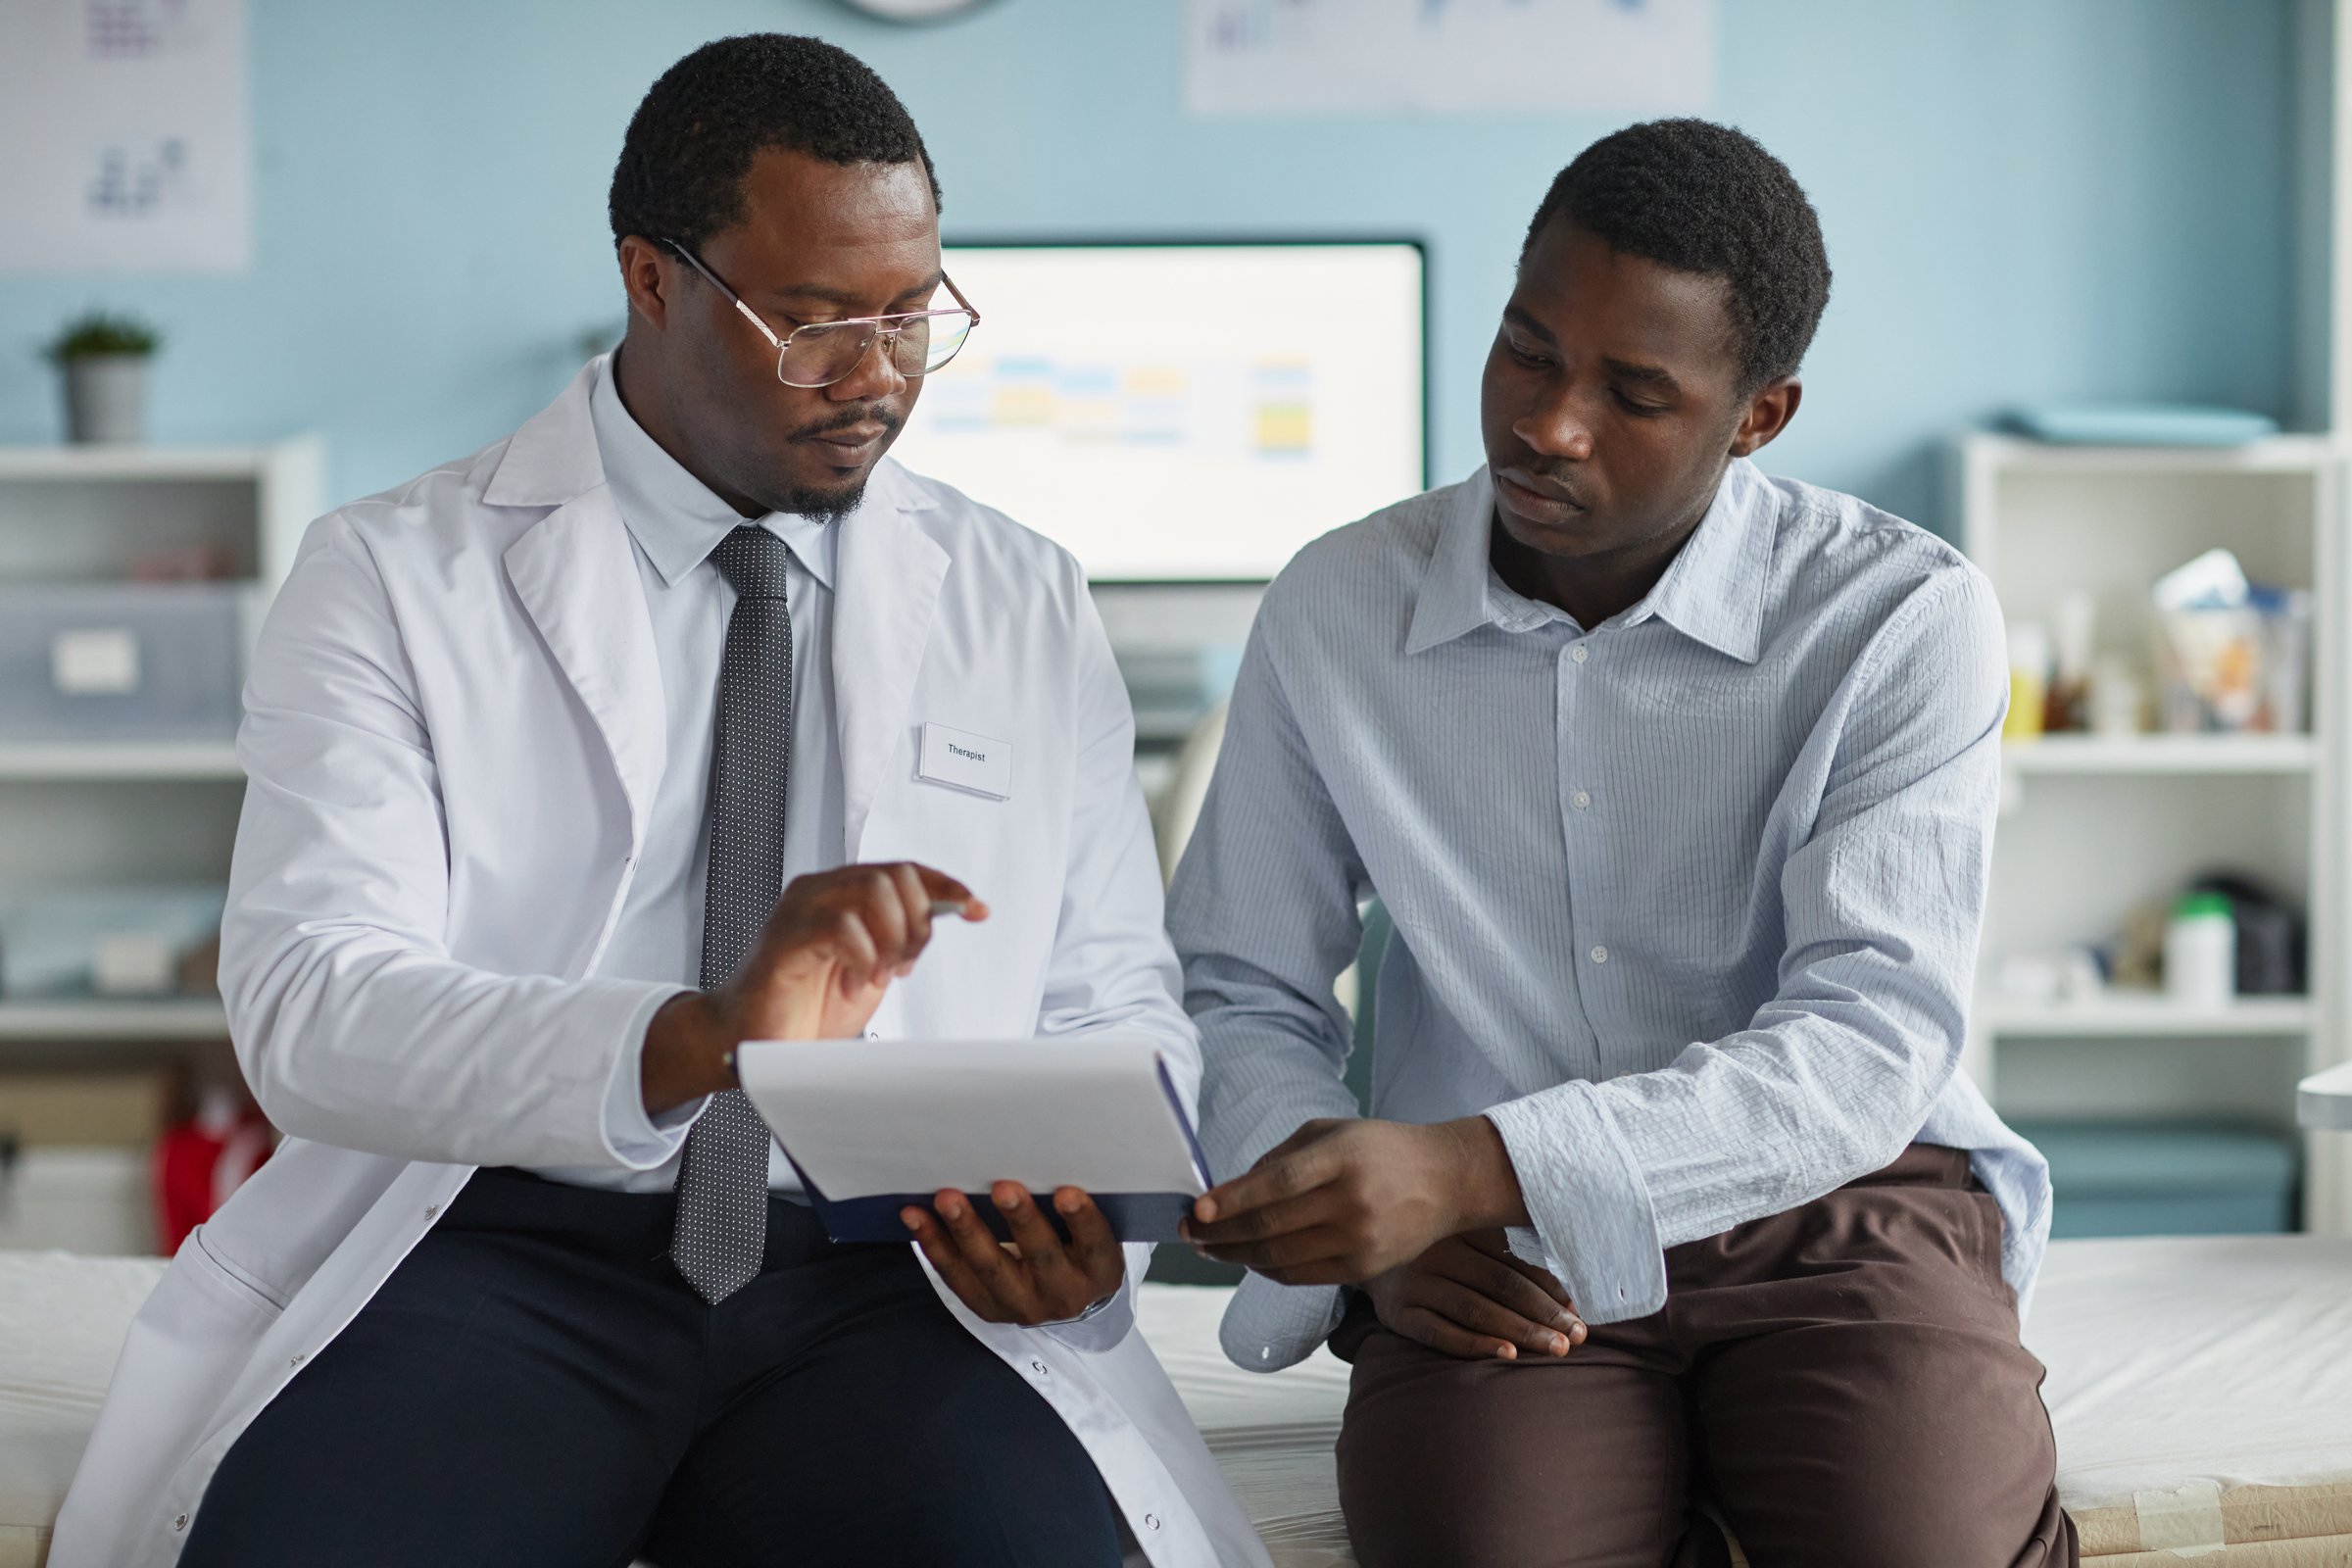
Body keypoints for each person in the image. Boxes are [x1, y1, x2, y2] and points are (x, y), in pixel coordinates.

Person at [51, 35, 1267, 1568]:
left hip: (884, 1279)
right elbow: (307, 1008)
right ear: (651, 277)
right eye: (817, 325)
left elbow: (1107, 988)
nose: (880, 379)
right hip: (502, 1250)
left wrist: (1089, 1217)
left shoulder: (1019, 594)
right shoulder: (390, 577)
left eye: (912, 317)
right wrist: (703, 1037)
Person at [1170, 119, 2071, 1568]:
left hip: (1837, 1207)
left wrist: (1472, 1164)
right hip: (1493, 1260)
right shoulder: (1338, 606)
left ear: (1759, 415)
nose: (1548, 422)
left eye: (1633, 392)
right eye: (1528, 351)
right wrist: (1368, 1220)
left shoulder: (1899, 616)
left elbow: (1864, 1039)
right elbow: (1235, 986)